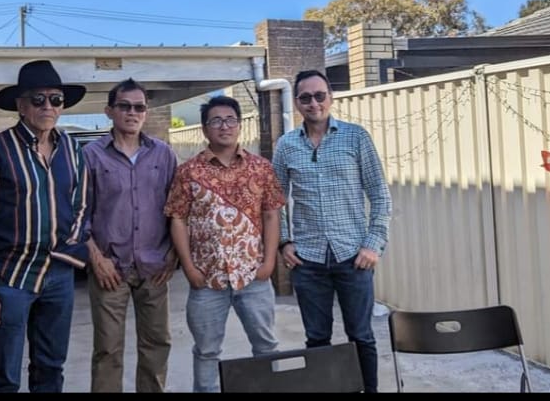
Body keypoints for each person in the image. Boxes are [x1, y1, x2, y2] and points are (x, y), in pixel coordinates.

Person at [0, 59, 90, 393]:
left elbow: (81, 206)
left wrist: (70, 251)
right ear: (21, 105)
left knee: (51, 368)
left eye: (56, 99)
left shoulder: (73, 149)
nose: (48, 106)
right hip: (10, 277)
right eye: (38, 99)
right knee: (3, 375)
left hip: (59, 275)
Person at [272, 69, 392, 393]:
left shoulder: (356, 137)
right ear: (297, 102)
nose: (314, 103)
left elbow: (380, 194)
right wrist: (284, 242)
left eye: (319, 95)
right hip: (308, 260)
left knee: (361, 336)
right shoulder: (286, 145)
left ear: (331, 97)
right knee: (317, 339)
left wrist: (373, 243)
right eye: (305, 97)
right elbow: (275, 200)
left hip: (353, 256)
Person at [165, 96, 285, 393]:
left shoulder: (261, 168)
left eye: (230, 119)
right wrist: (189, 268)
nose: (224, 126)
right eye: (216, 120)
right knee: (206, 351)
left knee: (266, 346)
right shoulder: (188, 172)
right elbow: (178, 219)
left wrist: (269, 262)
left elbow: (271, 214)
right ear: (205, 128)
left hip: (253, 276)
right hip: (207, 279)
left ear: (239, 125)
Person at [83, 78, 178, 392]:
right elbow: (78, 214)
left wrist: (173, 254)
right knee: (108, 349)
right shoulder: (91, 156)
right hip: (110, 269)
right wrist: (96, 259)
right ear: (109, 111)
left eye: (139, 107)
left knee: (157, 344)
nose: (132, 113)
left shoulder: (163, 155)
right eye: (124, 106)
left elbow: (178, 209)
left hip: (155, 267)